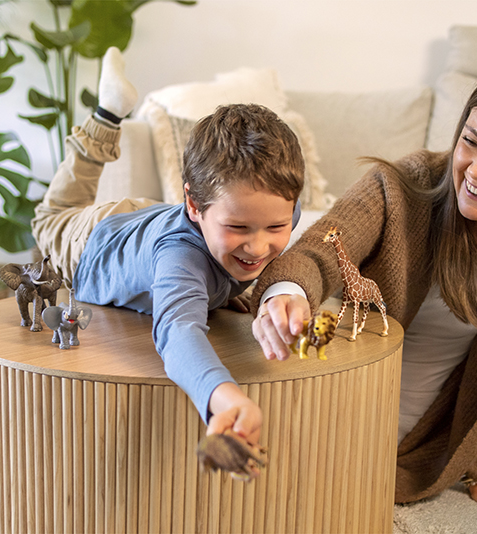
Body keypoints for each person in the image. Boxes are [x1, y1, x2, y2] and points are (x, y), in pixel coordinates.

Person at [250, 64, 477, 515]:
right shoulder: (406, 185)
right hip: (312, 409)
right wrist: (287, 292)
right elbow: (320, 249)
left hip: (407, 447)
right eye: (471, 141)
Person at [31, 48, 305, 447]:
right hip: (91, 242)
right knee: (51, 214)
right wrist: (221, 395)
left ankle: (109, 112)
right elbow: (177, 333)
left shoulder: (285, 210)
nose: (260, 245)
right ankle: (108, 112)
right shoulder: (180, 258)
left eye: (276, 226)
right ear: (194, 206)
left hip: (149, 222)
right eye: (239, 227)